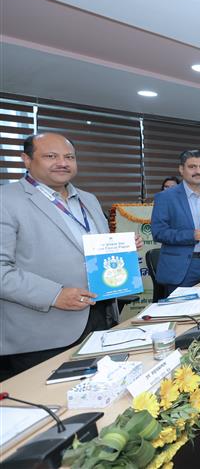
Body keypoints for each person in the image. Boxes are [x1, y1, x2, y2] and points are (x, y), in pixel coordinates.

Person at [0, 133, 142, 377]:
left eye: (69, 157)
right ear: (26, 159)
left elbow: (88, 249)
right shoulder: (6, 200)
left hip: (101, 316)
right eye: (51, 156)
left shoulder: (88, 199)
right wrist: (54, 295)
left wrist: (120, 247)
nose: (62, 163)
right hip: (44, 332)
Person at [151, 149, 200, 294]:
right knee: (180, 308)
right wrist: (191, 235)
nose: (198, 171)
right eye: (192, 167)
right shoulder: (165, 197)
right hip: (181, 268)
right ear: (181, 169)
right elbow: (158, 232)